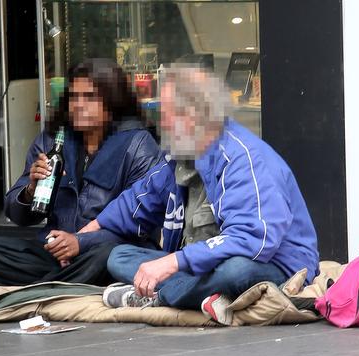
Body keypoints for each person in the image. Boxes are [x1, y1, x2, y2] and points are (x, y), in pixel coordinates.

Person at [79, 64, 319, 324]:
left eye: (168, 113)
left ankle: (160, 296)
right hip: (201, 265)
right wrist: (86, 232)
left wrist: (173, 263)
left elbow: (253, 241)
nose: (162, 122)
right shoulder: (181, 155)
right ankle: (202, 296)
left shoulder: (245, 159)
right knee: (118, 256)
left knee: (235, 272)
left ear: (194, 115)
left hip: (272, 264)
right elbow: (139, 200)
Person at [0, 58, 162, 286]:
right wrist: (30, 190)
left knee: (110, 257)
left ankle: (47, 286)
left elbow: (141, 223)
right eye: (74, 97)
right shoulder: (52, 140)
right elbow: (18, 216)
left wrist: (80, 242)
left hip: (106, 250)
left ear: (112, 102)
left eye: (90, 97)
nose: (79, 105)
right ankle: (65, 285)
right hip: (55, 252)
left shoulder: (138, 145)